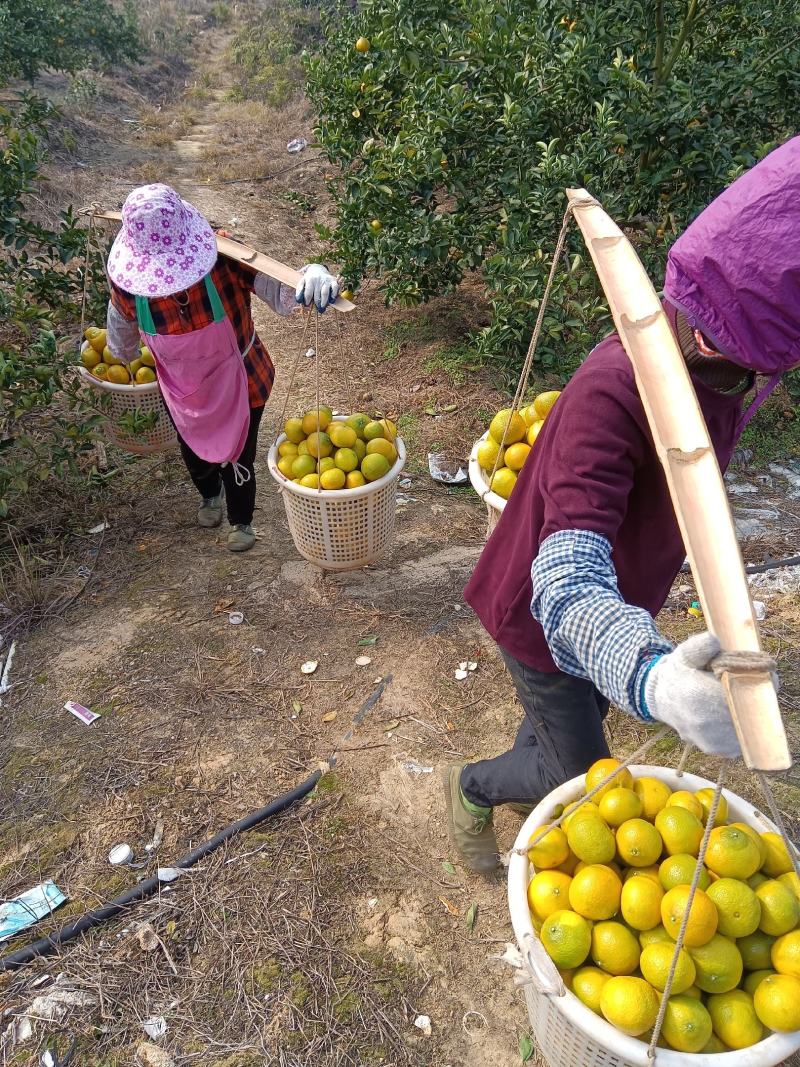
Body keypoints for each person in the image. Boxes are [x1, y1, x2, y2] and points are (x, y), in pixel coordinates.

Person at [446, 136, 800, 873]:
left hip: (617, 605)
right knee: (579, 781)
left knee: (561, 722)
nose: (757, 381)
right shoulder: (612, 390)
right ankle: (474, 788)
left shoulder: (716, 377)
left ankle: (536, 751)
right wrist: (649, 675)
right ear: (712, 335)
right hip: (540, 618)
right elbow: (567, 578)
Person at [105, 183, 339, 552]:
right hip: (183, 392)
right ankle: (209, 495)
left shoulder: (224, 255)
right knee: (193, 449)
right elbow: (120, 346)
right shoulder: (128, 288)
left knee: (238, 453)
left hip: (244, 380)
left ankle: (241, 520)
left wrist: (310, 274)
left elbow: (278, 292)